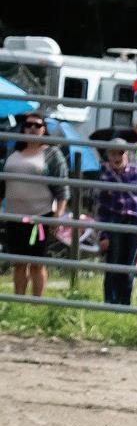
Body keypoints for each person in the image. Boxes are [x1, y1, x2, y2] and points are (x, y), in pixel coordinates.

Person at [1, 111, 71, 298]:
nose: (32, 128)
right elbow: (2, 185)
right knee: (18, 262)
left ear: (44, 130)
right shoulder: (13, 152)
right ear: (23, 129)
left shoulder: (52, 154)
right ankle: (18, 300)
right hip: (14, 216)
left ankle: (36, 302)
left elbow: (62, 189)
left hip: (41, 216)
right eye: (28, 125)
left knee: (37, 262)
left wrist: (58, 215)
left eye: (37, 125)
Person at [95, 142, 137, 306]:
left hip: (134, 223)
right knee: (113, 264)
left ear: (127, 154)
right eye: (113, 153)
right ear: (108, 155)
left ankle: (124, 303)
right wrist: (103, 234)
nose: (117, 157)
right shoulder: (105, 177)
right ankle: (110, 303)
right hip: (114, 222)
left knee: (129, 266)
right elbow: (100, 209)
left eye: (120, 153)